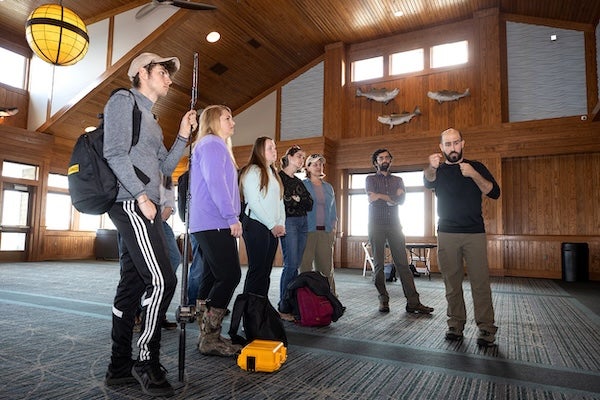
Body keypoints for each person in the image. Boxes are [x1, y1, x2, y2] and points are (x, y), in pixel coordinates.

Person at [103, 52, 197, 397]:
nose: (169, 79)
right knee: (162, 280)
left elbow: (166, 167)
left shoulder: (152, 119)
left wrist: (183, 136)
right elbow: (113, 154)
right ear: (142, 72)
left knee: (131, 284)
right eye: (162, 72)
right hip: (131, 202)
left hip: (149, 204)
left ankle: (118, 367)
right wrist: (142, 197)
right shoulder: (122, 101)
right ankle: (145, 359)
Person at [424, 128, 500, 347]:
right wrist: (431, 165)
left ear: (462, 143)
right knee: (451, 282)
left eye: (456, 143)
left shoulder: (476, 166)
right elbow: (428, 180)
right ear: (441, 147)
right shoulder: (436, 170)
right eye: (447, 144)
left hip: (474, 233)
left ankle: (486, 328)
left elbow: (494, 192)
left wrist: (474, 174)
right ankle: (455, 325)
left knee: (480, 283)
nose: (452, 148)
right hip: (447, 233)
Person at [189, 105, 243, 357]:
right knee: (230, 275)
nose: (232, 121)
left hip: (210, 220)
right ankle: (209, 336)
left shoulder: (212, 144)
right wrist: (231, 216)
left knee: (211, 276)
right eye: (227, 117)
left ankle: (206, 335)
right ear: (213, 121)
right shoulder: (211, 143)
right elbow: (216, 183)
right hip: (215, 220)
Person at [366, 149, 434, 315]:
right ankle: (383, 298)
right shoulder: (370, 179)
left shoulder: (399, 180)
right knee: (379, 265)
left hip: (395, 225)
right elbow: (372, 198)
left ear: (391, 160)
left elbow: (401, 200)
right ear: (375, 162)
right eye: (381, 158)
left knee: (403, 264)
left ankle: (413, 302)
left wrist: (382, 197)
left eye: (387, 157)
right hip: (376, 224)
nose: (384, 160)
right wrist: (391, 198)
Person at [239, 136, 285, 297]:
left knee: (265, 272)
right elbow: (254, 202)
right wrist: (272, 225)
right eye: (270, 148)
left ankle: (260, 309)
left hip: (271, 227)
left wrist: (281, 223)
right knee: (257, 270)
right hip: (255, 225)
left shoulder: (273, 172)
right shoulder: (253, 170)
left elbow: (280, 202)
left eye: (274, 147)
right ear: (260, 151)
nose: (274, 151)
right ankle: (249, 313)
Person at [277, 145, 313, 320]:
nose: (301, 160)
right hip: (288, 222)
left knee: (296, 265)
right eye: (299, 156)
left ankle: (291, 303)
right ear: (289, 157)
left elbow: (309, 204)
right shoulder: (278, 179)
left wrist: (295, 200)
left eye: (303, 157)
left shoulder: (299, 181)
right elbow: (283, 202)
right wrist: (296, 200)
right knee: (290, 265)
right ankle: (283, 307)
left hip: (303, 222)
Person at [299, 154, 337, 295]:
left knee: (326, 269)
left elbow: (333, 210)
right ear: (307, 167)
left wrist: (333, 228)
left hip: (325, 232)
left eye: (320, 164)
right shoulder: (302, 185)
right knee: (305, 267)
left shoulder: (328, 187)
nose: (318, 167)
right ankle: (304, 299)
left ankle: (330, 298)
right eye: (314, 164)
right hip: (307, 232)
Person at [158, 174, 180, 330]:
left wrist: (168, 209)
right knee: (137, 270)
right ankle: (137, 314)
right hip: (138, 220)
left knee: (174, 258)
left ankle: (158, 313)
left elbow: (170, 202)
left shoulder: (166, 174)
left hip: (160, 222)